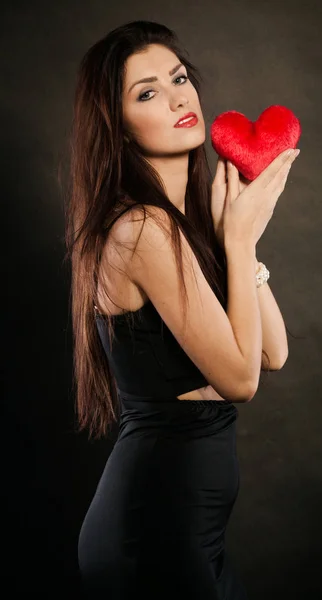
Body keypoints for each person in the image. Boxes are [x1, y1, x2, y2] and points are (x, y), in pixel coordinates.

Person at [64, 19, 299, 600]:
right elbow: (240, 380)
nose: (178, 97)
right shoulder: (140, 228)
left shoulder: (181, 226)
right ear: (117, 128)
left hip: (190, 533)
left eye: (178, 78)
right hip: (152, 533)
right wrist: (239, 242)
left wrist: (236, 240)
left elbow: (274, 352)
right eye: (147, 93)